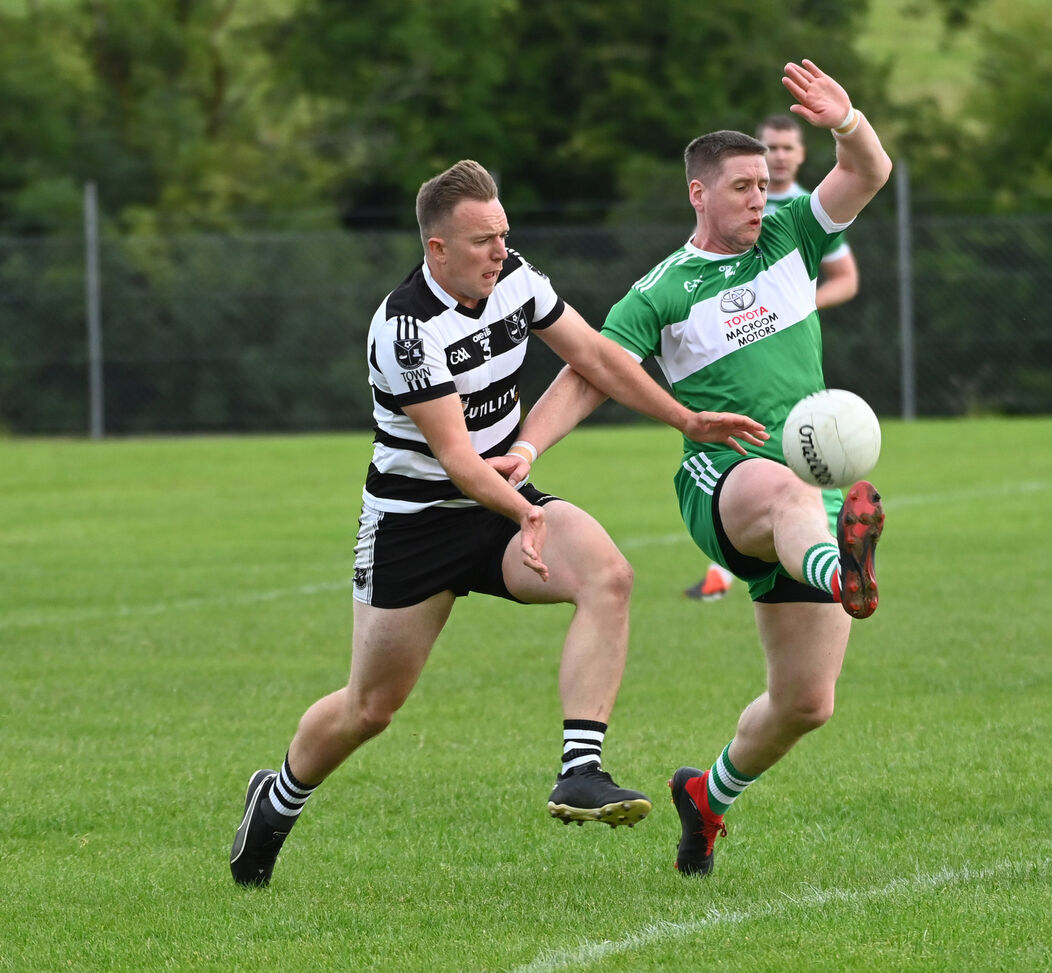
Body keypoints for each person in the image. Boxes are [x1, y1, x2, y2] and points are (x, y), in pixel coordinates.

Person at [229, 160, 766, 887]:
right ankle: (278, 797)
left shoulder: (515, 277)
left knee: (609, 574)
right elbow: (455, 458)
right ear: (437, 249)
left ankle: (581, 770)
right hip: (416, 525)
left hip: (503, 504)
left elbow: (595, 358)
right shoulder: (406, 329)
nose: (499, 251)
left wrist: (685, 416)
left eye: (504, 235)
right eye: (482, 240)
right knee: (371, 707)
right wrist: (523, 511)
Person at [498, 60, 890, 877]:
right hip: (724, 481)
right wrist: (529, 449)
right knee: (782, 487)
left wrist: (846, 121)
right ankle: (840, 568)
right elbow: (588, 372)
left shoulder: (794, 235)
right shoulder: (662, 291)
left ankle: (707, 797)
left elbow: (868, 171)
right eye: (743, 186)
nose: (760, 197)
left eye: (763, 183)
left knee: (804, 704)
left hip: (802, 502)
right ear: (698, 194)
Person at [683, 111, 860, 602]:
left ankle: (819, 562)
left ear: (802, 154)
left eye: (786, 150)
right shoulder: (727, 209)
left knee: (803, 685)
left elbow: (847, 276)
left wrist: (799, 303)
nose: (757, 195)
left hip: (794, 352)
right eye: (771, 148)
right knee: (764, 482)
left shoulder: (806, 210)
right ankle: (742, 567)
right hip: (729, 447)